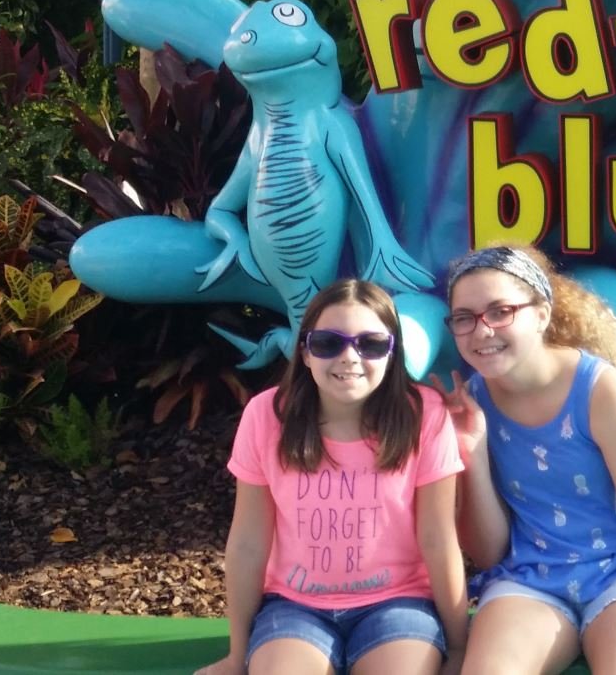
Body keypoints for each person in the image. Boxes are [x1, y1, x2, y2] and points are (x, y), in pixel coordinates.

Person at [430, 245, 616, 675]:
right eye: (465, 317)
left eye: (500, 311)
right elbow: (488, 553)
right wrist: (473, 453)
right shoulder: (474, 401)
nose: (482, 331)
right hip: (528, 581)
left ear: (541, 313)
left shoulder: (597, 389)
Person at [198, 279, 469, 675]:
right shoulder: (266, 415)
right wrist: (237, 656)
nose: (350, 357)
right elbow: (248, 543)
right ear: (305, 353)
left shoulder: (424, 415)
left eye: (371, 344)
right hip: (294, 607)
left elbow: (438, 538)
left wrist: (459, 647)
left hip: (399, 602)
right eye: (328, 343)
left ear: (392, 353)